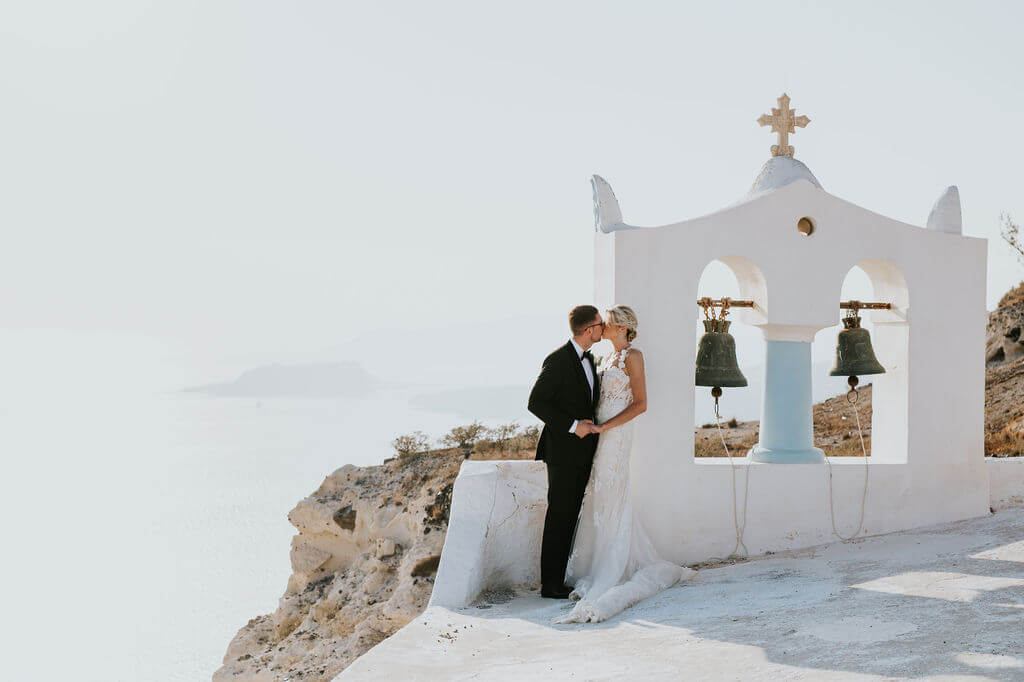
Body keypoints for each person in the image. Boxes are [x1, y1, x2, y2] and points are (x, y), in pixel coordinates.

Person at [555, 305, 697, 623]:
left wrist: (608, 427)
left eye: (606, 323)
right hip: (599, 433)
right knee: (599, 496)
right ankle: (597, 564)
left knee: (612, 492)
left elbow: (641, 403)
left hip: (617, 436)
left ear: (621, 327)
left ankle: (613, 566)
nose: (601, 327)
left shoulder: (634, 356)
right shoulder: (607, 358)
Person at [528, 305, 604, 598]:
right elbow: (536, 403)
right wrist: (573, 426)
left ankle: (557, 580)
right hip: (562, 453)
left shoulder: (590, 359)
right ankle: (550, 585)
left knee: (570, 514)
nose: (603, 328)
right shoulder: (558, 360)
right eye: (600, 324)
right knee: (559, 516)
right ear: (589, 330)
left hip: (582, 452)